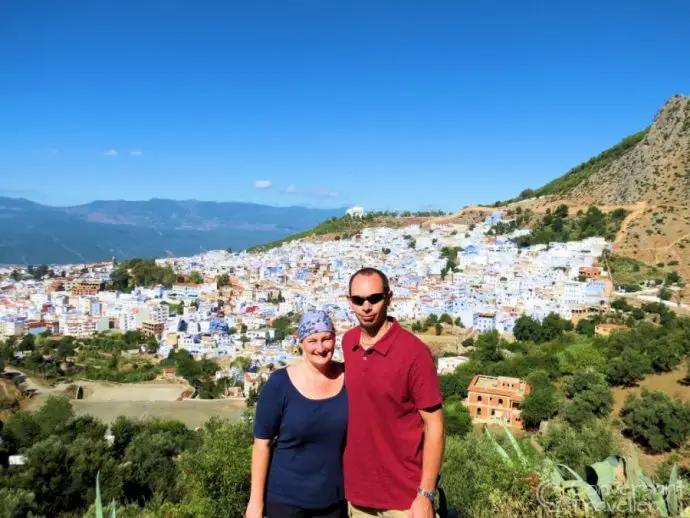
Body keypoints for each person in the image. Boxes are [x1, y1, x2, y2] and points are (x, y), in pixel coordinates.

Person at [343, 267, 445, 518]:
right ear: (350, 302)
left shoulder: (414, 353)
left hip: (404, 500)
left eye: (374, 298)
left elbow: (435, 426)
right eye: (358, 300)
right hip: (358, 496)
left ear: (389, 298)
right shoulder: (348, 342)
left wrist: (426, 495)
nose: (366, 307)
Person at [245, 310, 348, 518]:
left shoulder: (349, 378)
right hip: (286, 502)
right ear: (301, 342)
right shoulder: (280, 384)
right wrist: (255, 503)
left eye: (326, 339)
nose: (320, 348)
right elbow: (262, 443)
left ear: (335, 338)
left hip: (335, 501)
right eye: (312, 341)